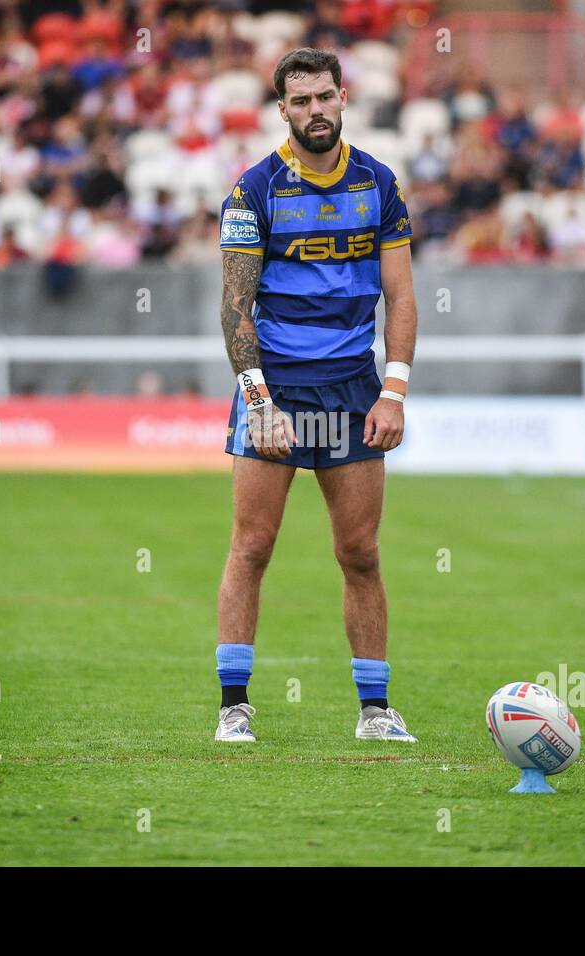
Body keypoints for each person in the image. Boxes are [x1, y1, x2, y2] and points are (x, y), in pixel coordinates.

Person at [214, 48, 418, 745]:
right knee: (253, 547)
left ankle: (374, 711)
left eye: (325, 97)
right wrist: (259, 401)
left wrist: (393, 391)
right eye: (300, 102)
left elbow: (402, 296)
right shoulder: (254, 190)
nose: (316, 111)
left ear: (343, 98)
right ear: (283, 110)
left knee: (360, 552)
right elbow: (235, 310)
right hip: (274, 386)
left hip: (352, 389)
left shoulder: (379, 183)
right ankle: (233, 707)